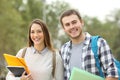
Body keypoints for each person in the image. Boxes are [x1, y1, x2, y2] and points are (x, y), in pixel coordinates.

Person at [59, 9, 119, 80]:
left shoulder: (99, 43)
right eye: (67, 24)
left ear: (81, 22)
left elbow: (113, 74)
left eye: (74, 22)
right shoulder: (63, 50)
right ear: (64, 28)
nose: (72, 26)